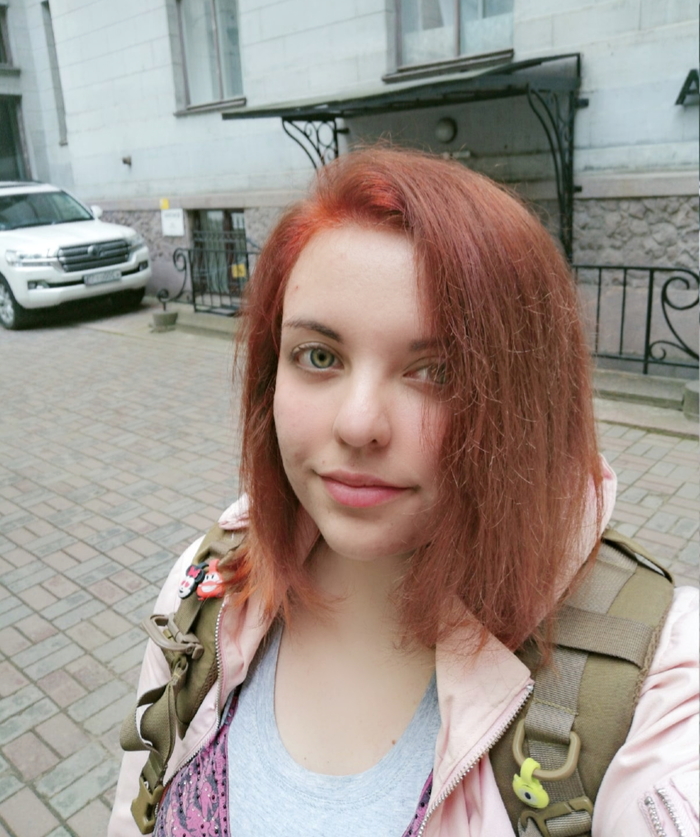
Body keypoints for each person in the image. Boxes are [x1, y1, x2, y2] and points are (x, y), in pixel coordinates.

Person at [108, 147, 698, 837]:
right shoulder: (210, 584)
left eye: (437, 371)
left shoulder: (652, 679)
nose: (358, 424)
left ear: (529, 399)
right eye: (319, 356)